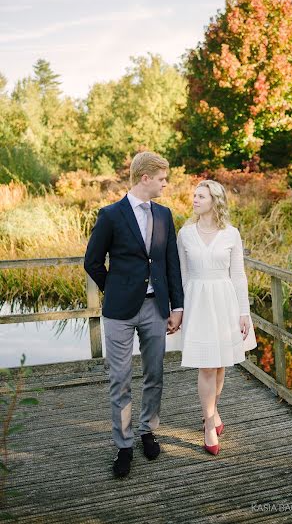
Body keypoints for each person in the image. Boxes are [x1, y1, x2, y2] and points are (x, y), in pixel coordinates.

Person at [84, 151, 183, 477]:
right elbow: (93, 261)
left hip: (155, 309)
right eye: (162, 178)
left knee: (155, 374)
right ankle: (124, 445)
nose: (165, 184)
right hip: (119, 313)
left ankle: (146, 430)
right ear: (145, 177)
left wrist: (176, 307)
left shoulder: (165, 215)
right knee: (120, 379)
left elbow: (171, 265)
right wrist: (114, 288)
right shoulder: (111, 215)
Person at [177, 180, 257, 455]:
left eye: (201, 196)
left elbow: (238, 275)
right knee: (207, 366)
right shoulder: (185, 234)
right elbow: (182, 275)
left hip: (225, 303)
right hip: (197, 302)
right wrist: (179, 309)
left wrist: (244, 312)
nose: (195, 199)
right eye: (195, 195)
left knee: (221, 364)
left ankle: (213, 411)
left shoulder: (231, 234)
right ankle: (209, 423)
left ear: (215, 201)